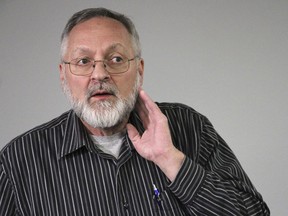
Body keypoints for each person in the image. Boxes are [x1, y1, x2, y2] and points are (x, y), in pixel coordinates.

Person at [0, 7, 270, 216]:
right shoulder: (17, 162)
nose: (100, 74)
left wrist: (172, 160)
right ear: (63, 75)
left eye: (116, 59)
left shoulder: (191, 127)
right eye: (83, 61)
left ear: (139, 70)